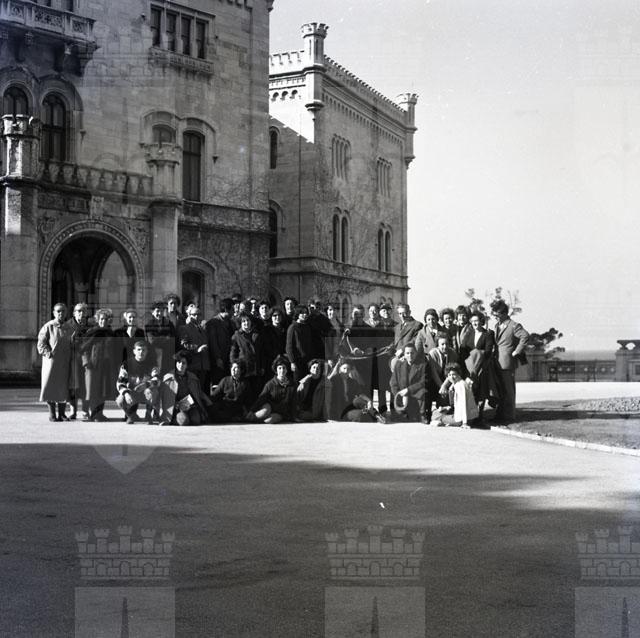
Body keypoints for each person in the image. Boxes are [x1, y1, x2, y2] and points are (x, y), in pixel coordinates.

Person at [490, 299, 530, 423]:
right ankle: (500, 414)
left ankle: (509, 416)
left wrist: (517, 351)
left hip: (507, 363)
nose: (494, 316)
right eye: (493, 313)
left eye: (496, 314)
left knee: (508, 390)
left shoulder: (514, 325)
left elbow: (525, 336)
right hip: (497, 362)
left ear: (504, 313)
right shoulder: (497, 325)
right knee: (500, 390)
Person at [37, 303, 73, 422]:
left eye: (63, 311)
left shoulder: (69, 328)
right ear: (54, 313)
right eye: (58, 311)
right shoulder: (48, 326)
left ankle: (62, 414)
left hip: (65, 362)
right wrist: (48, 353)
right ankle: (52, 414)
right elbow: (41, 344)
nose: (61, 313)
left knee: (63, 387)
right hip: (51, 363)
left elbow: (74, 343)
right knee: (50, 387)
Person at [463, 311, 498, 426]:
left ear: (481, 321)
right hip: (469, 366)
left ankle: (480, 415)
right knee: (471, 389)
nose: (474, 323)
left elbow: (488, 350)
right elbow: (463, 348)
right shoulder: (469, 333)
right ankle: (471, 415)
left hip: (482, 366)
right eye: (472, 321)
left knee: (481, 390)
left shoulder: (487, 334)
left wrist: (477, 354)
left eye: (476, 321)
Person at [160, 351, 212, 426]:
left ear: (187, 365)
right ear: (175, 363)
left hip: (190, 406)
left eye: (183, 363)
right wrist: (177, 405)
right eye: (179, 362)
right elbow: (163, 398)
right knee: (184, 421)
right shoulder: (168, 378)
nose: (181, 365)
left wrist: (208, 401)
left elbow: (198, 392)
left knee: (196, 420)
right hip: (175, 408)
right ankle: (172, 420)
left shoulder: (193, 378)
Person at [326, 358, 386, 423]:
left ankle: (377, 415)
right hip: (341, 409)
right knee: (361, 415)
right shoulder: (334, 380)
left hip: (350, 405)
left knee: (357, 400)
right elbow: (327, 381)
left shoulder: (352, 381)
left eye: (348, 369)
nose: (346, 371)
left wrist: (369, 401)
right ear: (340, 369)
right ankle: (369, 415)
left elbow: (360, 393)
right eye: (344, 368)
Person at [81, 308, 115, 421]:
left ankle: (99, 413)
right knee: (91, 390)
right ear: (97, 320)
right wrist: (86, 362)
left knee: (103, 390)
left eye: (105, 319)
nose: (103, 321)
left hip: (106, 365)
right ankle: (90, 413)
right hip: (92, 365)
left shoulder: (110, 333)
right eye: (101, 319)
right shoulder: (92, 332)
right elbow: (83, 348)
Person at [115, 340, 160, 424]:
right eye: (138, 349)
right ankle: (131, 415)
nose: (141, 352)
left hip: (146, 392)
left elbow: (157, 380)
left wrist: (146, 385)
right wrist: (126, 393)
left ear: (147, 351)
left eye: (143, 350)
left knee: (153, 392)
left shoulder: (152, 363)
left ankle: (148, 414)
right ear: (134, 351)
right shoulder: (126, 364)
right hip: (133, 393)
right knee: (120, 400)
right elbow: (120, 382)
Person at [251, 355, 297, 423]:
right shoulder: (270, 384)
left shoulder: (292, 384)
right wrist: (252, 410)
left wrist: (293, 417)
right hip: (269, 407)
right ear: (276, 370)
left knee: (269, 420)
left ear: (287, 369)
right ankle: (249, 417)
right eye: (279, 368)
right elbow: (261, 398)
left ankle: (258, 420)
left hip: (280, 412)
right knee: (264, 412)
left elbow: (294, 402)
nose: (282, 370)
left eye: (284, 368)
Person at [390, 343, 428, 423]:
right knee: (401, 416)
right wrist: (399, 394)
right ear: (404, 354)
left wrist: (408, 390)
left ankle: (422, 414)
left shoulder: (422, 365)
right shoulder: (399, 364)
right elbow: (393, 383)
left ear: (416, 353)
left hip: (415, 394)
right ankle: (403, 413)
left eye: (412, 353)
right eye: (407, 353)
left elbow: (423, 382)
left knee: (423, 392)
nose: (410, 355)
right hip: (402, 396)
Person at [431, 363, 479, 427]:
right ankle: (445, 422)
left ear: (458, 374)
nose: (451, 377)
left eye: (454, 374)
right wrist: (446, 408)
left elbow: (464, 404)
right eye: (449, 375)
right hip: (467, 417)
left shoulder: (460, 385)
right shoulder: (459, 383)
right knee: (437, 412)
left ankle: (442, 422)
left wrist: (464, 423)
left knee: (435, 416)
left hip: (463, 419)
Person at [177, 302, 210, 392]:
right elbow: (183, 344)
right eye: (194, 314)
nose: (197, 317)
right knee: (192, 390)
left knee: (201, 390)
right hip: (193, 365)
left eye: (199, 314)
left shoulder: (203, 330)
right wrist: (196, 349)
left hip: (204, 365)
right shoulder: (184, 328)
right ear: (189, 315)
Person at [65, 302, 89, 420]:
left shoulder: (91, 325)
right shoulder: (67, 325)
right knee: (73, 386)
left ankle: (85, 411)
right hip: (73, 359)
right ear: (74, 313)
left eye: (83, 311)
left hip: (87, 360)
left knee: (86, 386)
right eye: (79, 311)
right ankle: (73, 411)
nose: (81, 313)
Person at [229, 313, 263, 395]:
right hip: (244, 369)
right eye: (243, 321)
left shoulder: (257, 334)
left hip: (256, 368)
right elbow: (233, 353)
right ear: (240, 323)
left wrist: (262, 366)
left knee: (256, 392)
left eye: (248, 320)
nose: (246, 323)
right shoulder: (236, 336)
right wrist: (234, 367)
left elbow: (261, 352)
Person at [205, 297, 234, 385]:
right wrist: (218, 358)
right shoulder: (213, 323)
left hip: (229, 360)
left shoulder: (232, 323)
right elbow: (213, 342)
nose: (234, 312)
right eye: (232, 309)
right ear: (226, 310)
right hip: (218, 362)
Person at [144, 300, 175, 374]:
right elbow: (152, 341)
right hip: (154, 356)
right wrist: (166, 338)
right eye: (157, 311)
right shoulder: (149, 325)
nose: (160, 313)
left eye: (162, 311)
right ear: (152, 312)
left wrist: (160, 339)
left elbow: (173, 339)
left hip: (168, 356)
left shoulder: (169, 324)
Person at [390, 303, 422, 372]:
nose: (402, 316)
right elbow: (395, 342)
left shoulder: (417, 325)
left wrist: (402, 349)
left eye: (404, 313)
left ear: (409, 312)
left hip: (410, 357)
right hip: (397, 357)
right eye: (400, 313)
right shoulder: (397, 327)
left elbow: (415, 340)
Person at [286, 304, 313, 384]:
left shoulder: (307, 327)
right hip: (297, 362)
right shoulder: (292, 327)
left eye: (306, 313)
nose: (305, 315)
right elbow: (289, 347)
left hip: (307, 361)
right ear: (297, 314)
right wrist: (292, 362)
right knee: (297, 385)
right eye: (302, 313)